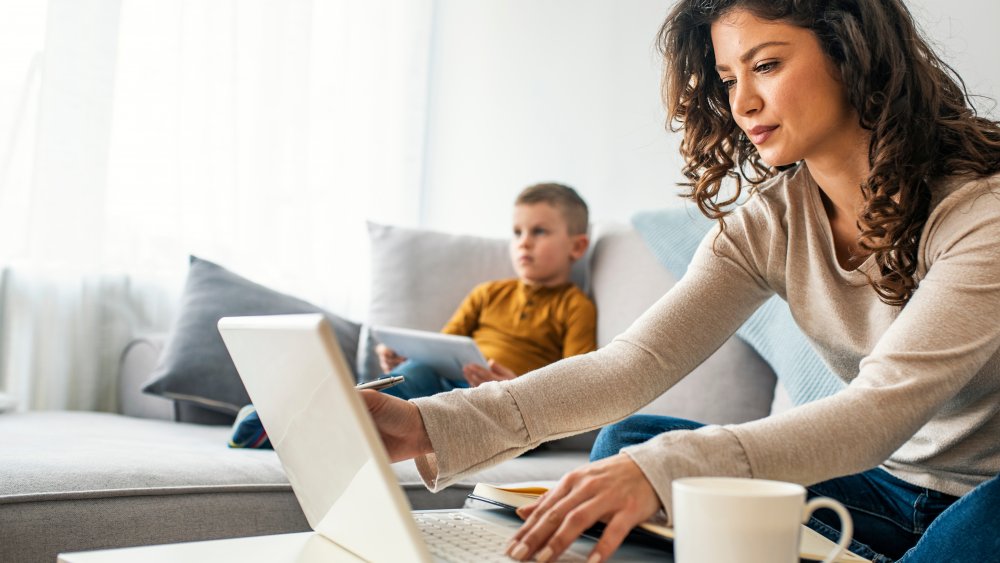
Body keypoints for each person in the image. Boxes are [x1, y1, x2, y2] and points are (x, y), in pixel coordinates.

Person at [362, 1, 1000, 562]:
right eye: (728, 78)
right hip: (885, 489)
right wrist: (427, 423)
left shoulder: (981, 211)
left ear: (852, 54)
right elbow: (633, 364)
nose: (743, 101)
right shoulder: (770, 222)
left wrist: (667, 470)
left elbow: (881, 408)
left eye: (767, 65)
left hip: (986, 496)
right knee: (631, 445)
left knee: (658, 466)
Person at [375, 182, 597, 399]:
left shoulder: (576, 307)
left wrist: (516, 390)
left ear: (576, 247)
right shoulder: (488, 293)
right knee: (415, 371)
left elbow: (575, 384)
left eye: (539, 231)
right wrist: (404, 357)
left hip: (504, 400)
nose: (524, 242)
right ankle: (370, 405)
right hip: (445, 380)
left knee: (481, 405)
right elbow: (442, 347)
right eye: (517, 232)